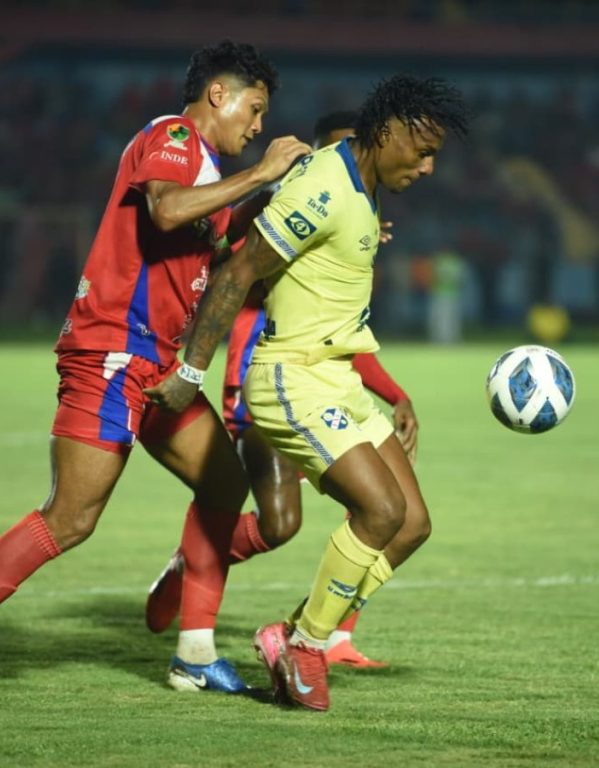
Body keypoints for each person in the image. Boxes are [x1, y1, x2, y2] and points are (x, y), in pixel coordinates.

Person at [0, 40, 311, 705]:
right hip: (112, 353)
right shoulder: (172, 136)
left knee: (223, 484)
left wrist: (295, 203)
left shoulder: (207, 169)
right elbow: (167, 210)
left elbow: (217, 233)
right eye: (254, 108)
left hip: (156, 362)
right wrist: (262, 172)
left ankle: (195, 655)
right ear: (217, 95)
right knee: (70, 519)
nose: (257, 125)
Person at [146, 74, 468, 711]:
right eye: (423, 150)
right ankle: (305, 645)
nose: (429, 167)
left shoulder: (361, 187)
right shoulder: (325, 187)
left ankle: (293, 635)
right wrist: (191, 370)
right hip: (291, 376)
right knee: (372, 514)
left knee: (410, 526)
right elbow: (240, 270)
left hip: (337, 378)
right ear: (388, 133)